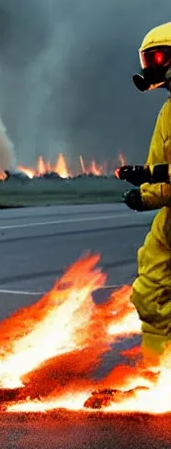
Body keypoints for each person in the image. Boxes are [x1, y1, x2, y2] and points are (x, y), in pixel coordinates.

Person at [121, 21, 171, 361]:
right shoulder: (167, 114)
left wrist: (150, 173)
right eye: (147, 60)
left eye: (158, 58)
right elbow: (160, 176)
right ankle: (157, 371)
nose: (151, 68)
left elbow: (157, 171)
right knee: (149, 292)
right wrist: (144, 194)